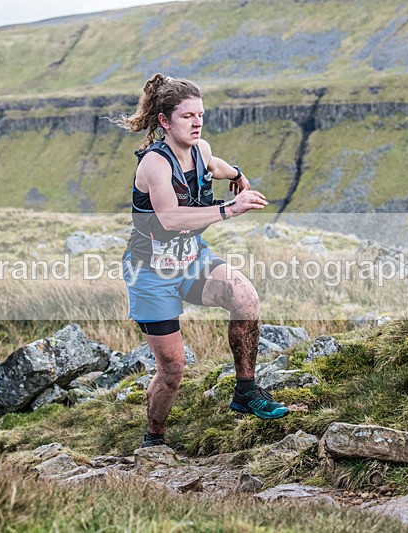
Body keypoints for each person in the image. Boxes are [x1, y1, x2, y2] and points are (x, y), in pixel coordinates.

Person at [113, 73, 289, 449]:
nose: (196, 123)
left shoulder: (200, 149)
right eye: (187, 116)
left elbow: (215, 164)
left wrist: (238, 175)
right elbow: (169, 218)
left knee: (244, 296)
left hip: (192, 259)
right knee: (173, 369)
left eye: (201, 115)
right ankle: (154, 438)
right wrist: (229, 208)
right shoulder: (154, 165)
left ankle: (246, 391)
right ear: (164, 120)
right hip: (151, 273)